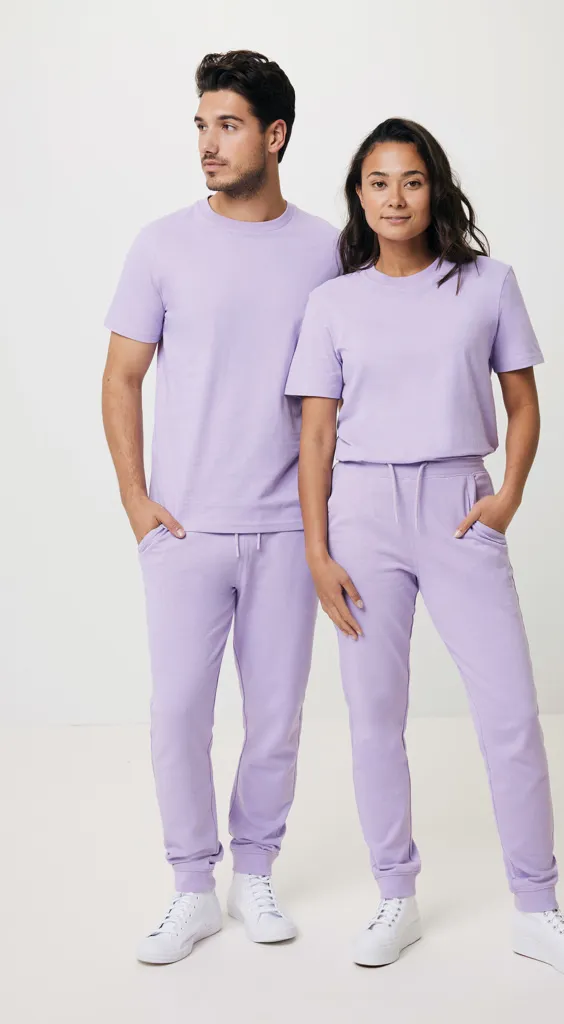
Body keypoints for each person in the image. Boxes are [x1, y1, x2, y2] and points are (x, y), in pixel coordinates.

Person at [284, 118, 564, 977]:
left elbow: (522, 405)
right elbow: (315, 435)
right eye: (378, 182)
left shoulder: (487, 284)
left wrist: (506, 498)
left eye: (412, 180)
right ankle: (395, 895)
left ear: (435, 189)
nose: (395, 198)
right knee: (373, 718)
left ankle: (536, 907)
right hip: (361, 515)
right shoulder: (332, 303)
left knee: (509, 715)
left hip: (460, 507)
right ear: (358, 195)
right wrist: (317, 550)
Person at [102, 50, 338, 965]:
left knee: (275, 717)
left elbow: (345, 385)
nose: (208, 143)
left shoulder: (327, 250)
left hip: (287, 528)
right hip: (186, 528)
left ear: (274, 135)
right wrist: (137, 501)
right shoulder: (161, 245)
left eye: (228, 125)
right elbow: (122, 377)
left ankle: (256, 872)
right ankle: (192, 887)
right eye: (202, 125)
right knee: (178, 715)